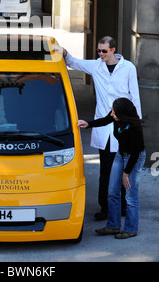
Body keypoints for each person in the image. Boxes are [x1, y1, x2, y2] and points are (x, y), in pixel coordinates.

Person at [62, 36, 141, 221]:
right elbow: (74, 62)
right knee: (105, 170)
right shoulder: (96, 66)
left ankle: (122, 206)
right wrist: (64, 53)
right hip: (104, 127)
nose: (101, 54)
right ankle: (105, 208)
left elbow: (135, 97)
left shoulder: (128, 68)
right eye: (98, 51)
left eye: (104, 51)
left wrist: (136, 125)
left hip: (124, 127)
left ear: (113, 50)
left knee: (122, 169)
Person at [78, 97, 145, 239]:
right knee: (112, 192)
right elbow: (104, 120)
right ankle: (113, 226)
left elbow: (134, 154)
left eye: (114, 113)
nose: (112, 114)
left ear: (123, 114)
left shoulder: (135, 129)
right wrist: (88, 124)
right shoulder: (115, 116)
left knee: (130, 196)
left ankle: (131, 229)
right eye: (112, 112)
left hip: (134, 158)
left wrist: (126, 174)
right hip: (120, 155)